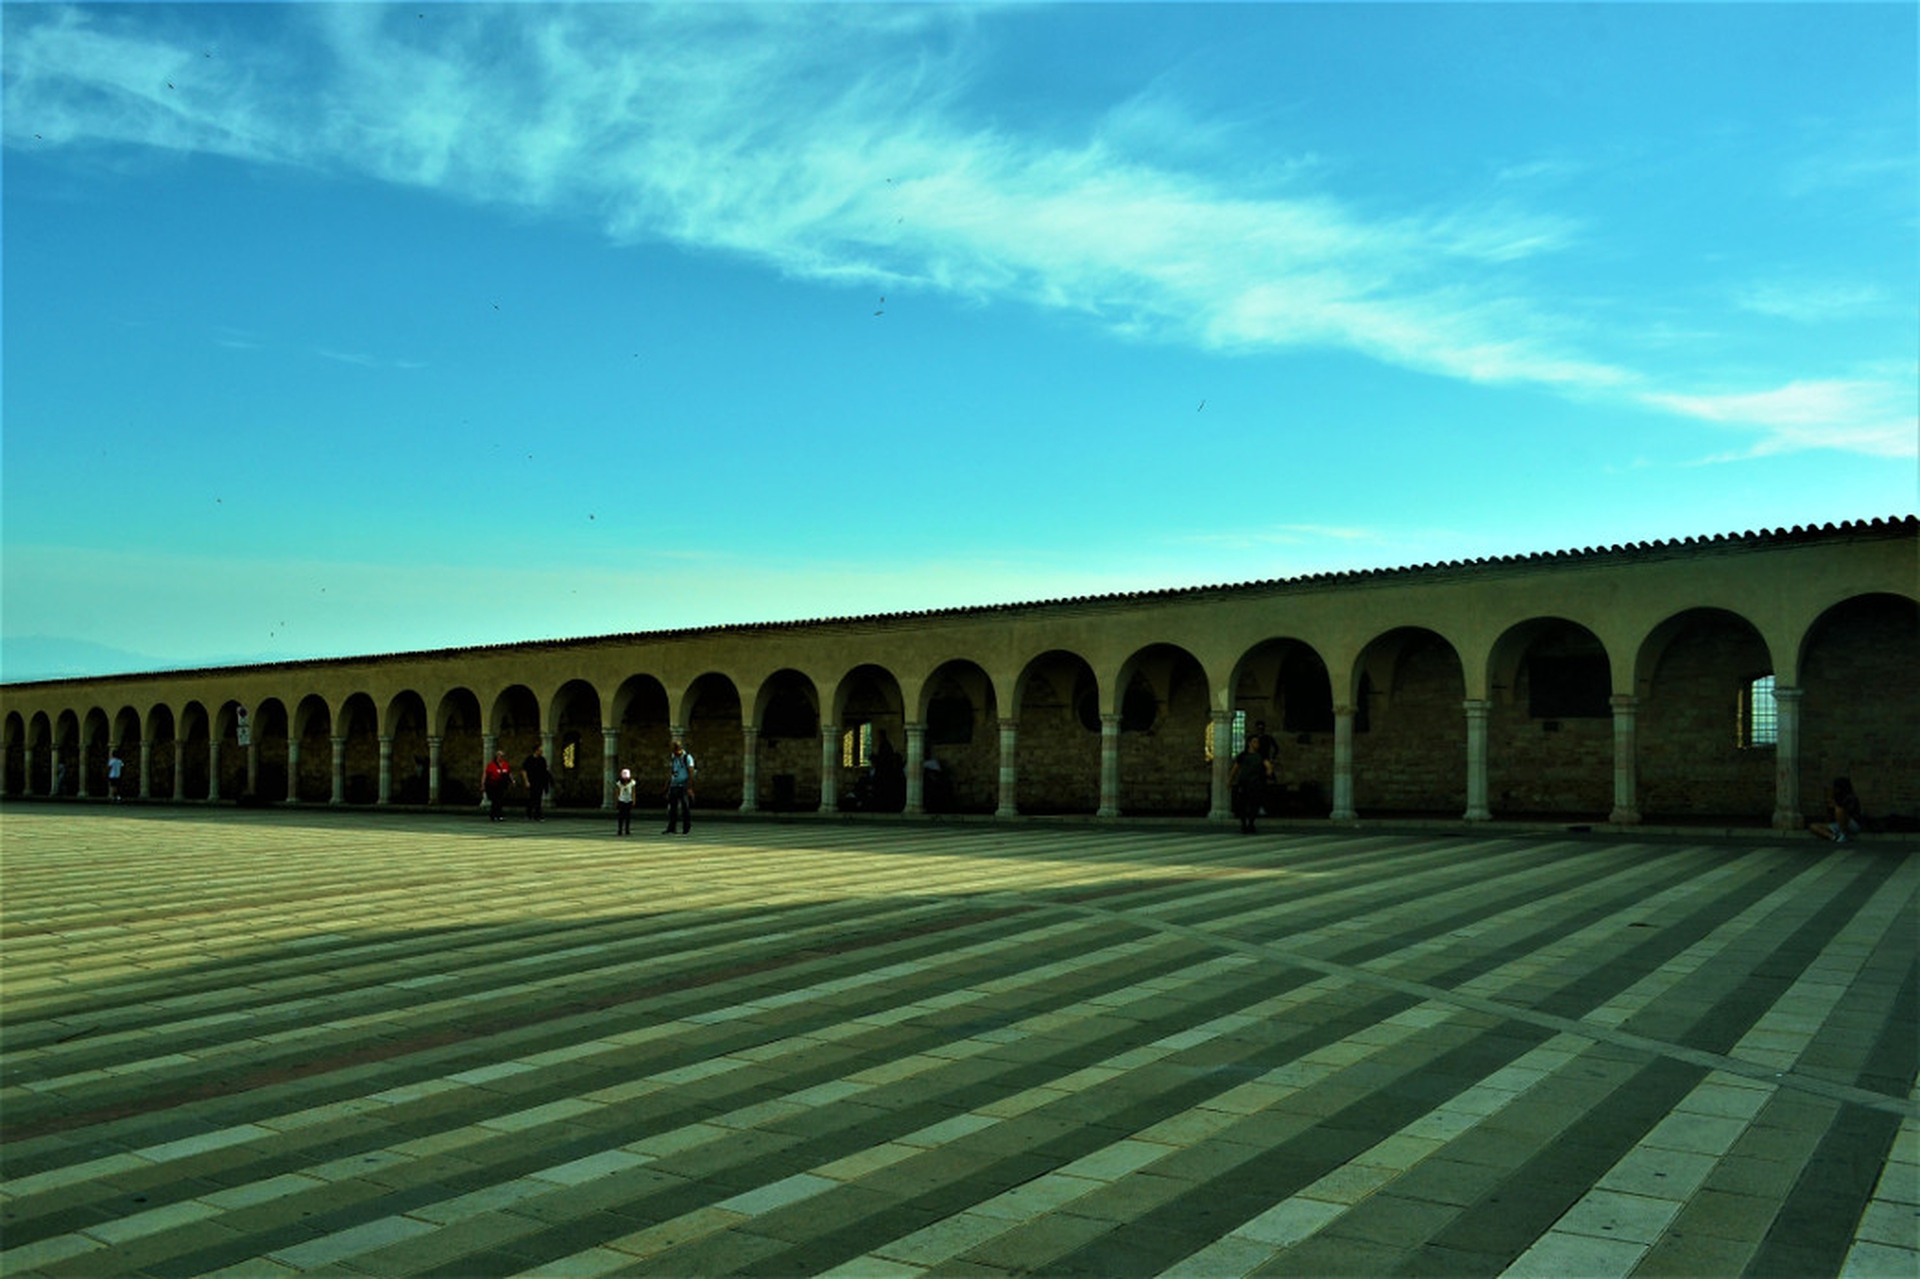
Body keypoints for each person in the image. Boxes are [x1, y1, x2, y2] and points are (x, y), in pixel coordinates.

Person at [1228, 739, 1270, 834]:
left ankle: (1251, 823)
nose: (1257, 744)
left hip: (1255, 783)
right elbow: (1235, 768)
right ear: (1249, 743)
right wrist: (1230, 781)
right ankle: (1243, 824)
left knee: (1254, 804)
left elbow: (1267, 765)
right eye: (1255, 742)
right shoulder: (1243, 755)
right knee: (1242, 804)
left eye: (1258, 742)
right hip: (1244, 783)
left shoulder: (1260, 755)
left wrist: (1269, 771)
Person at [1810, 777, 1863, 844]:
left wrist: (1836, 806)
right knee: (1813, 826)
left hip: (1852, 824)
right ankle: (1832, 837)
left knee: (1839, 810)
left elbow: (1847, 813)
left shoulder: (1851, 798)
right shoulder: (1836, 797)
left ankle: (1843, 834)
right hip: (1838, 824)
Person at [663, 740, 696, 834]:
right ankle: (671, 827)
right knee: (673, 807)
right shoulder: (673, 757)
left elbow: (691, 772)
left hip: (684, 785)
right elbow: (671, 771)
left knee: (685, 807)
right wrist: (667, 785)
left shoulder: (687, 757)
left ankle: (686, 827)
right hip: (674, 784)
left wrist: (690, 787)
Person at [523, 746, 552, 822]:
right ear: (536, 751)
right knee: (532, 798)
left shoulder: (542, 760)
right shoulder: (529, 759)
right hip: (532, 781)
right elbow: (524, 770)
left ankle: (537, 815)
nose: (541, 752)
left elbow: (545, 770)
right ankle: (528, 813)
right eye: (540, 750)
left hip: (540, 781)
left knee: (538, 798)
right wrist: (526, 781)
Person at [482, 750, 513, 822]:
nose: (502, 757)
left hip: (501, 785)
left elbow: (509, 773)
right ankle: (494, 815)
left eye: (503, 756)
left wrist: (512, 780)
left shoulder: (505, 764)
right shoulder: (491, 765)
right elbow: (486, 774)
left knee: (500, 800)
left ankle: (499, 814)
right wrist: (483, 784)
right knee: (495, 800)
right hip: (493, 785)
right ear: (497, 757)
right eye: (500, 756)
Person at [614, 767, 637, 836]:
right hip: (621, 800)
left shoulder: (632, 783)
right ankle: (620, 830)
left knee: (628, 816)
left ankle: (627, 830)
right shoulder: (619, 783)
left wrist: (633, 800)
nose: (625, 779)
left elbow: (633, 792)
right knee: (621, 816)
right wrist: (617, 800)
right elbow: (617, 792)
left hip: (629, 800)